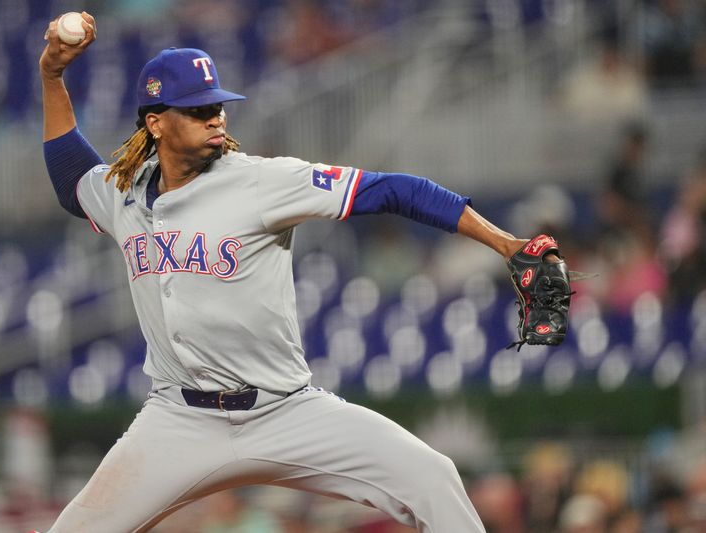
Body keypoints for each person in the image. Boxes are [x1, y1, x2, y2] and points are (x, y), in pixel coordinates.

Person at [39, 11, 537, 533]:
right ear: (156, 122)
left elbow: (394, 189)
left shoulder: (261, 181)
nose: (216, 118)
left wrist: (504, 243)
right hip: (178, 419)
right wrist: (51, 76)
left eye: (217, 106)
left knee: (433, 477)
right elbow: (72, 176)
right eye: (197, 110)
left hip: (285, 411)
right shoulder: (123, 192)